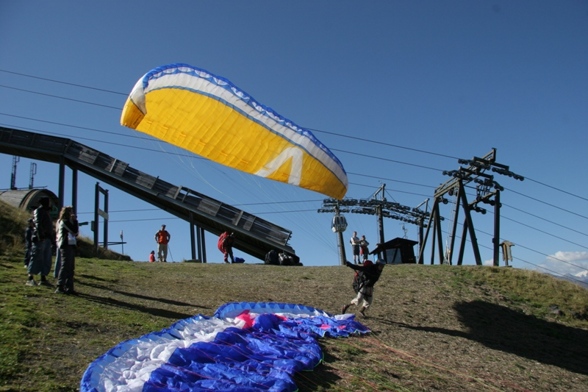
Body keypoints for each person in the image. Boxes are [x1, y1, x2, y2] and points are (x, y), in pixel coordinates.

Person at [27, 197, 54, 286]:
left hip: (46, 238)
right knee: (36, 257)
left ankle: (43, 277)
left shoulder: (46, 212)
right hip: (40, 238)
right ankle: (30, 277)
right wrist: (40, 235)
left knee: (45, 258)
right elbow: (38, 223)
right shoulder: (39, 211)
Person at [55, 206, 79, 294]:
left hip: (71, 244)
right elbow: (74, 231)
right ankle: (60, 285)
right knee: (65, 265)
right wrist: (75, 221)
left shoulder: (69, 222)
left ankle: (69, 286)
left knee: (70, 267)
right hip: (65, 244)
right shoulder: (64, 222)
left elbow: (75, 232)